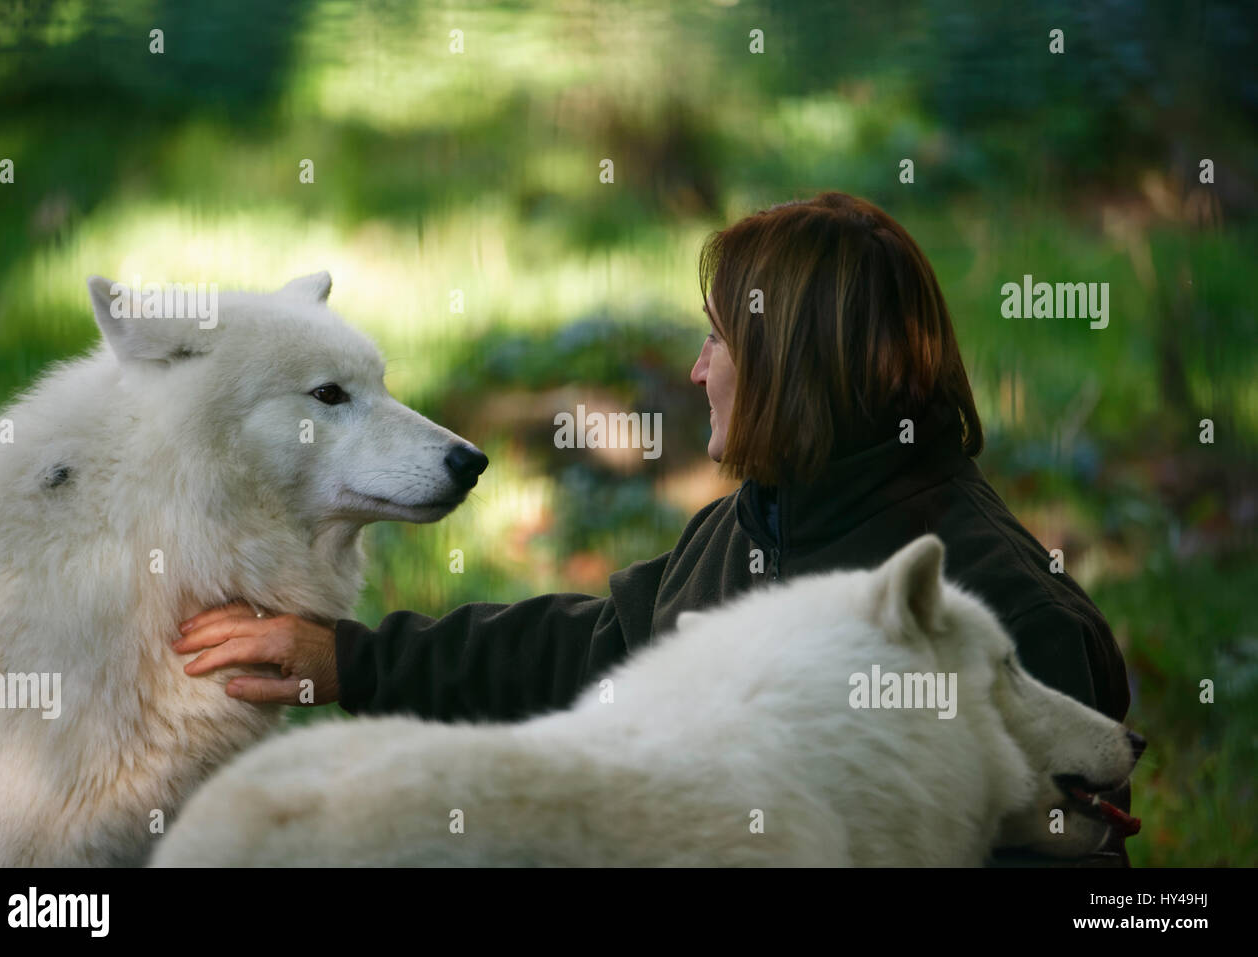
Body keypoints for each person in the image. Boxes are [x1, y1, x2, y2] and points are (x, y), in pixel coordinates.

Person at [173, 191, 1132, 864]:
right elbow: (591, 650)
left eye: (718, 337)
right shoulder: (752, 527)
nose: (696, 368)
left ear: (795, 367)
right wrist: (351, 659)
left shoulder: (997, 604)